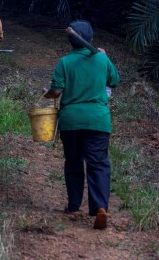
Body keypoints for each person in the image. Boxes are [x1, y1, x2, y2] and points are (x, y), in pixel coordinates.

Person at [43, 20, 120, 229]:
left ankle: (74, 205)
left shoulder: (65, 62)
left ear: (71, 41)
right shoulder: (102, 60)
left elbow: (56, 91)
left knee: (74, 162)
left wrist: (46, 94)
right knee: (98, 163)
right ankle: (100, 207)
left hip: (71, 121)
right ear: (91, 39)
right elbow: (114, 80)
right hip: (98, 120)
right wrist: (105, 57)